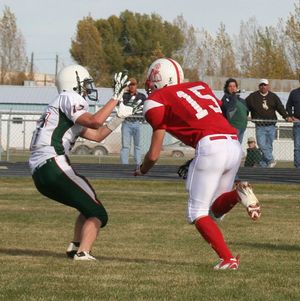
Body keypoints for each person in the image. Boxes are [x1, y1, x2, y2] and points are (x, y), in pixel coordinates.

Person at [135, 58, 261, 270]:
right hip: (232, 143)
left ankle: (228, 259)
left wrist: (142, 169)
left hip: (210, 146)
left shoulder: (157, 98)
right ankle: (238, 194)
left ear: (157, 78)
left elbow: (154, 154)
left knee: (196, 212)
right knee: (215, 211)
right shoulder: (200, 86)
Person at [29, 65, 133, 261]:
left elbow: (96, 135)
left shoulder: (61, 107)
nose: (87, 89)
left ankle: (75, 247)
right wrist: (116, 97)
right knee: (98, 213)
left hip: (40, 171)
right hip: (53, 163)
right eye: (85, 85)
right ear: (74, 84)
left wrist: (119, 117)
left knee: (87, 205)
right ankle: (83, 253)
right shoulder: (69, 97)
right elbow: (95, 121)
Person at [245, 78, 288, 168]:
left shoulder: (273, 96)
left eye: (265, 85)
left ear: (268, 86)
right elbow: (245, 106)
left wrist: (286, 116)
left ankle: (263, 165)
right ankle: (271, 160)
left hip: (271, 125)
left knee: (268, 146)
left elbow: (280, 107)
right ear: (259, 86)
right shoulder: (253, 96)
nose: (263, 87)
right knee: (261, 144)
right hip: (260, 126)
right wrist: (245, 115)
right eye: (261, 85)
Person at [119, 77, 147, 167]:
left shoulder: (142, 96)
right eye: (130, 85)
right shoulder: (124, 96)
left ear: (137, 85)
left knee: (138, 145)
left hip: (137, 123)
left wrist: (142, 120)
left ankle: (138, 164)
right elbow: (118, 103)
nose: (131, 86)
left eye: (133, 84)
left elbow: (145, 109)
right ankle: (124, 165)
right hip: (126, 123)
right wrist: (123, 90)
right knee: (125, 146)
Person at [221, 78, 249, 143]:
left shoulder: (241, 100)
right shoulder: (225, 99)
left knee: (238, 146)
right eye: (230, 86)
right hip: (233, 127)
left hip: (242, 126)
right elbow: (228, 110)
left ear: (236, 87)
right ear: (227, 88)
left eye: (234, 86)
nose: (232, 88)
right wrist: (233, 96)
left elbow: (246, 110)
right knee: (232, 146)